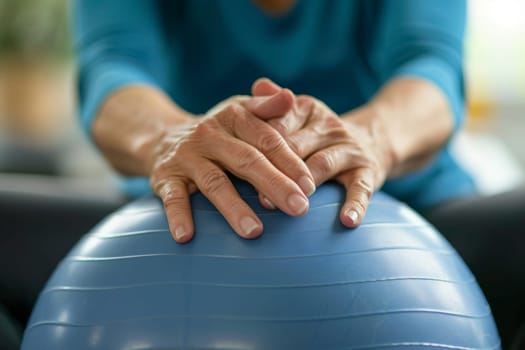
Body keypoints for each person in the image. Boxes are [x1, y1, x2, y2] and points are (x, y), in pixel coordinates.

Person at [70, 0, 523, 348]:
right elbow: (111, 63)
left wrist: (369, 139)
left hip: (419, 217)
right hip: (167, 226)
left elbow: (430, 63)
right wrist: (169, 139)